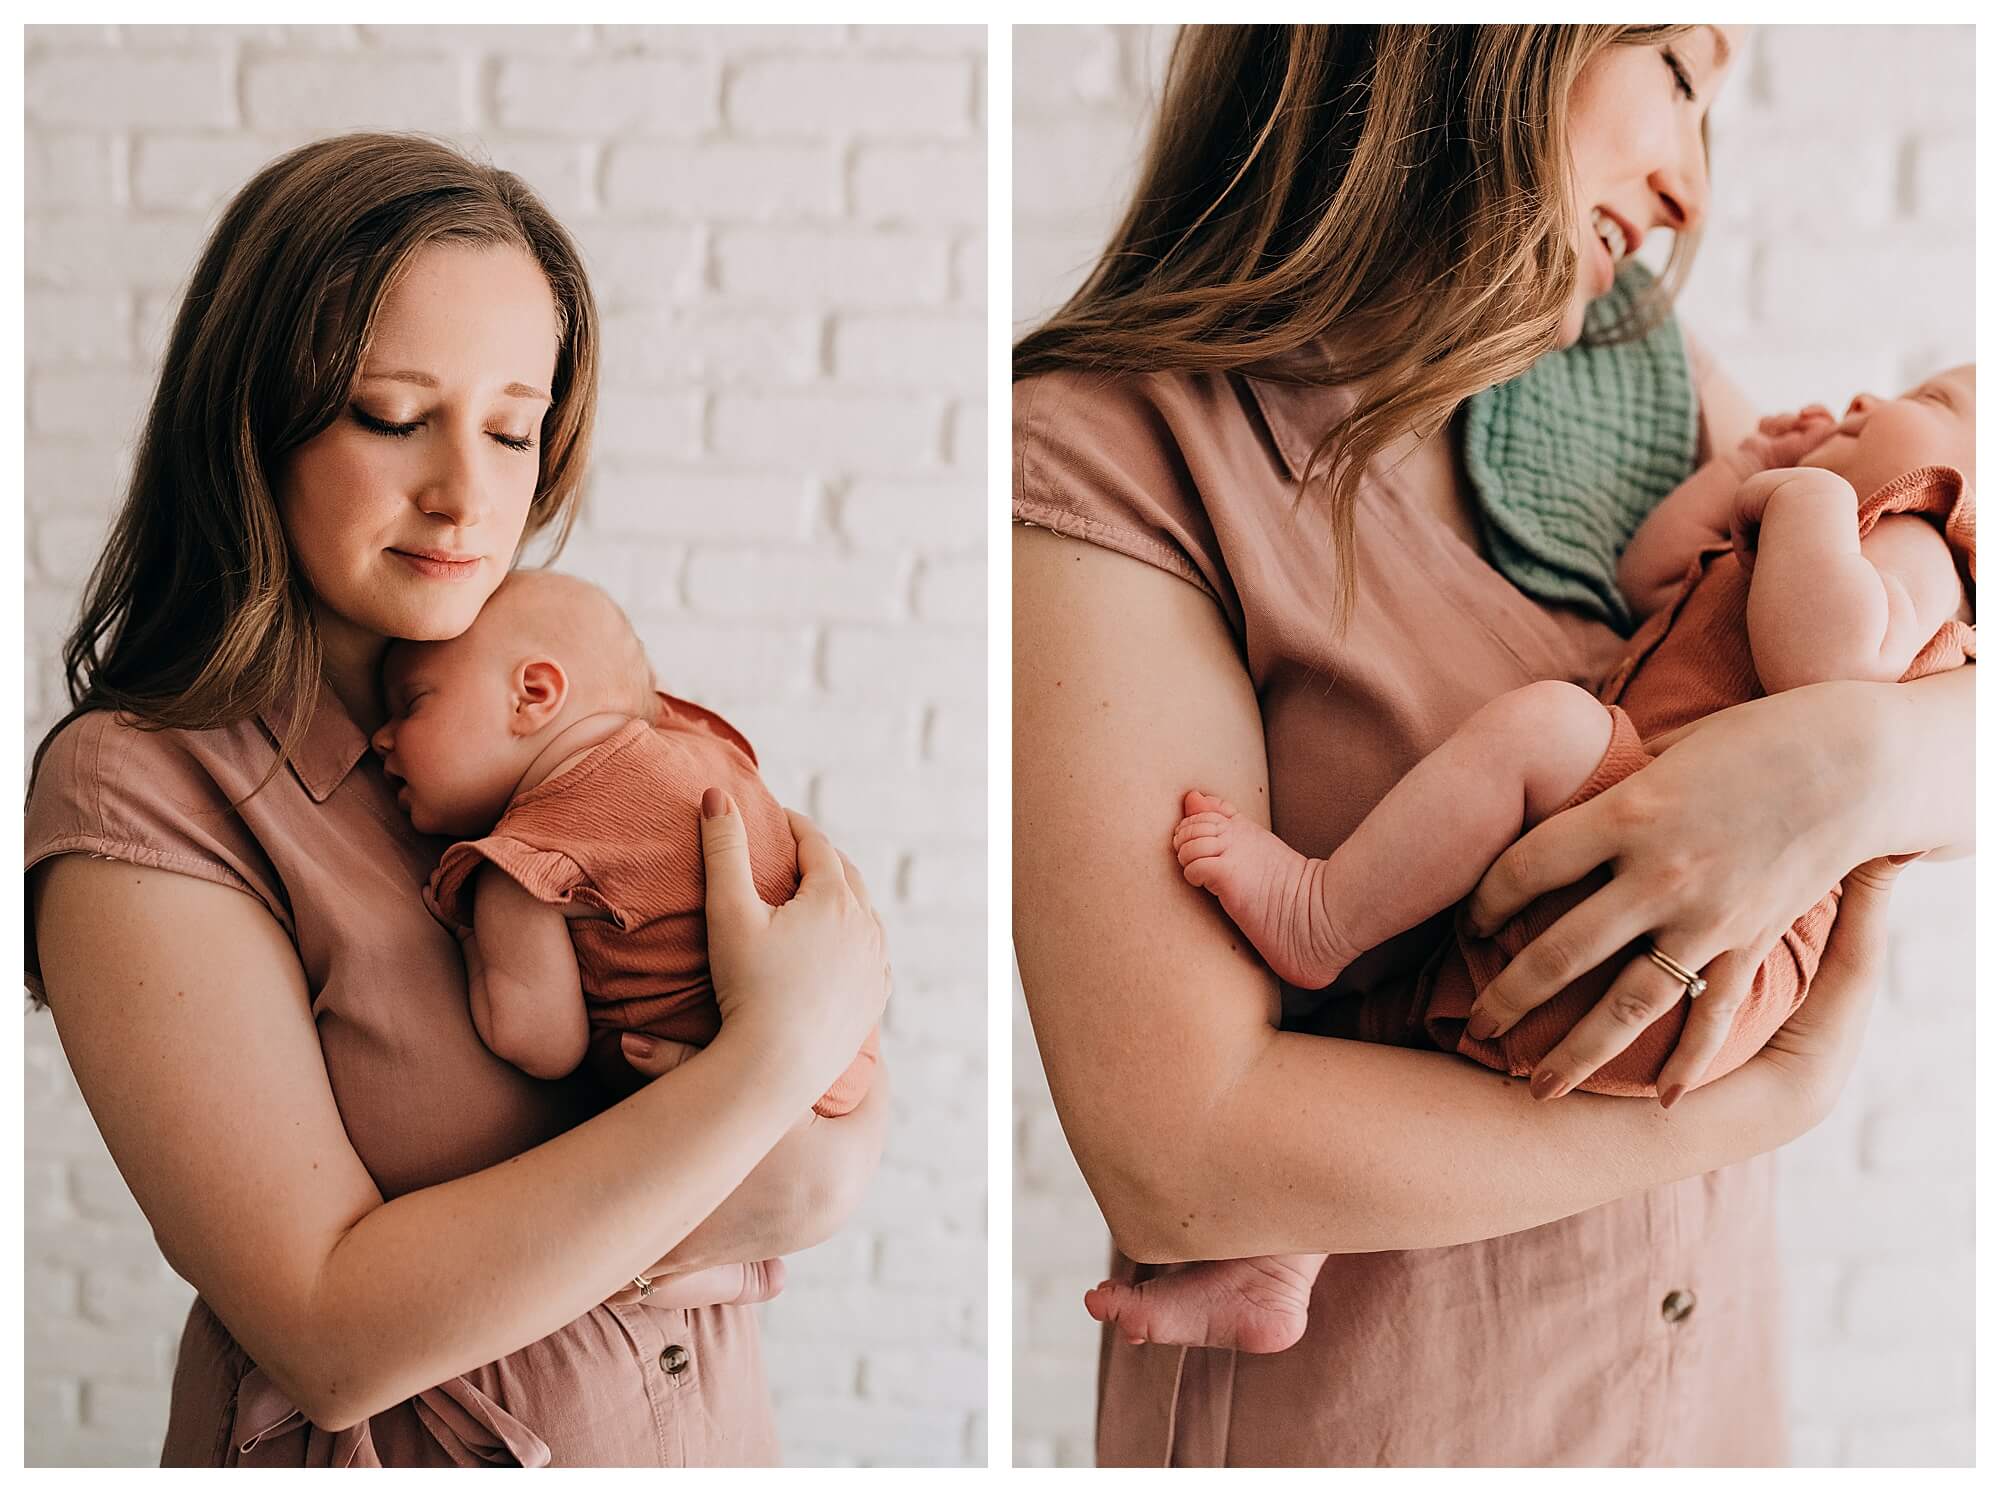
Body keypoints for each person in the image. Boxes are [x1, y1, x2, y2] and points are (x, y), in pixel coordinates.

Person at [1013, 25, 1972, 1465]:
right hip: (1398, 1420)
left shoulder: (1638, 387)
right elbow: (1182, 1161)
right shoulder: (1112, 454)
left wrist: (1852, 772)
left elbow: (1887, 675)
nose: (1692, 189)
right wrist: (1766, 1106)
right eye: (1678, 72)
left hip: (1702, 1408)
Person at [27, 133, 889, 1467]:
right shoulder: (144, 798)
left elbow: (825, 1143)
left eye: (511, 429)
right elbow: (331, 1332)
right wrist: (774, 1067)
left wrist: (806, 1107)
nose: (464, 496)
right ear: (253, 417)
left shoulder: (563, 707)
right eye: (390, 416)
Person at [1084, 367, 1975, 1354]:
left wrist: (1805, 499)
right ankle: (1277, 1254)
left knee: (1551, 730)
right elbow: (1643, 579)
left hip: (1703, 951)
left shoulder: (1917, 547)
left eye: (1930, 402)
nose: (1858, 401)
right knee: (1380, 1027)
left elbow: (1830, 668)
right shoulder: (1798, 517)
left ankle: (1317, 914)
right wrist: (1738, 472)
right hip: (1634, 910)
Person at [379, 568, 878, 1113]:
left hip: (749, 1107)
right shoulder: (702, 749)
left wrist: (469, 933)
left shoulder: (525, 869)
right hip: (853, 1033)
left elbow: (538, 1043)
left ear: (532, 696)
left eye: (412, 703)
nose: (380, 738)